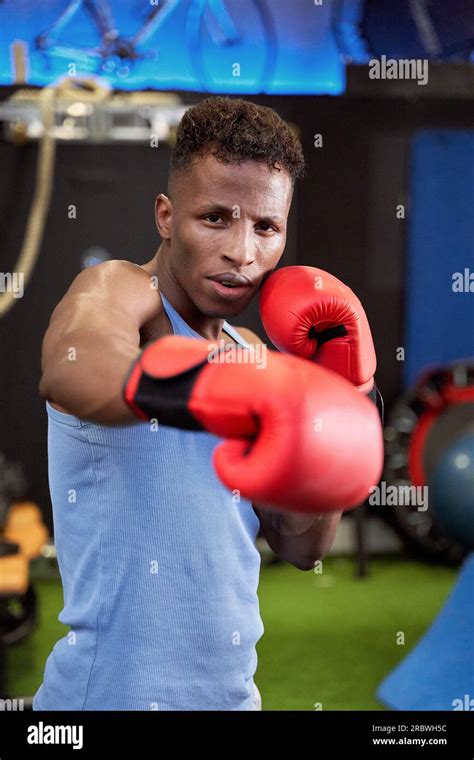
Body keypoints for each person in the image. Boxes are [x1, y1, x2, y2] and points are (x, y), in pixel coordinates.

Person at [34, 97, 381, 711]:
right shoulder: (120, 291)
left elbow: (301, 547)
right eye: (216, 218)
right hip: (105, 700)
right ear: (166, 217)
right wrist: (213, 385)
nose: (242, 252)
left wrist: (343, 394)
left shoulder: (255, 353)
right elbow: (75, 367)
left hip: (232, 699)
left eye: (266, 227)